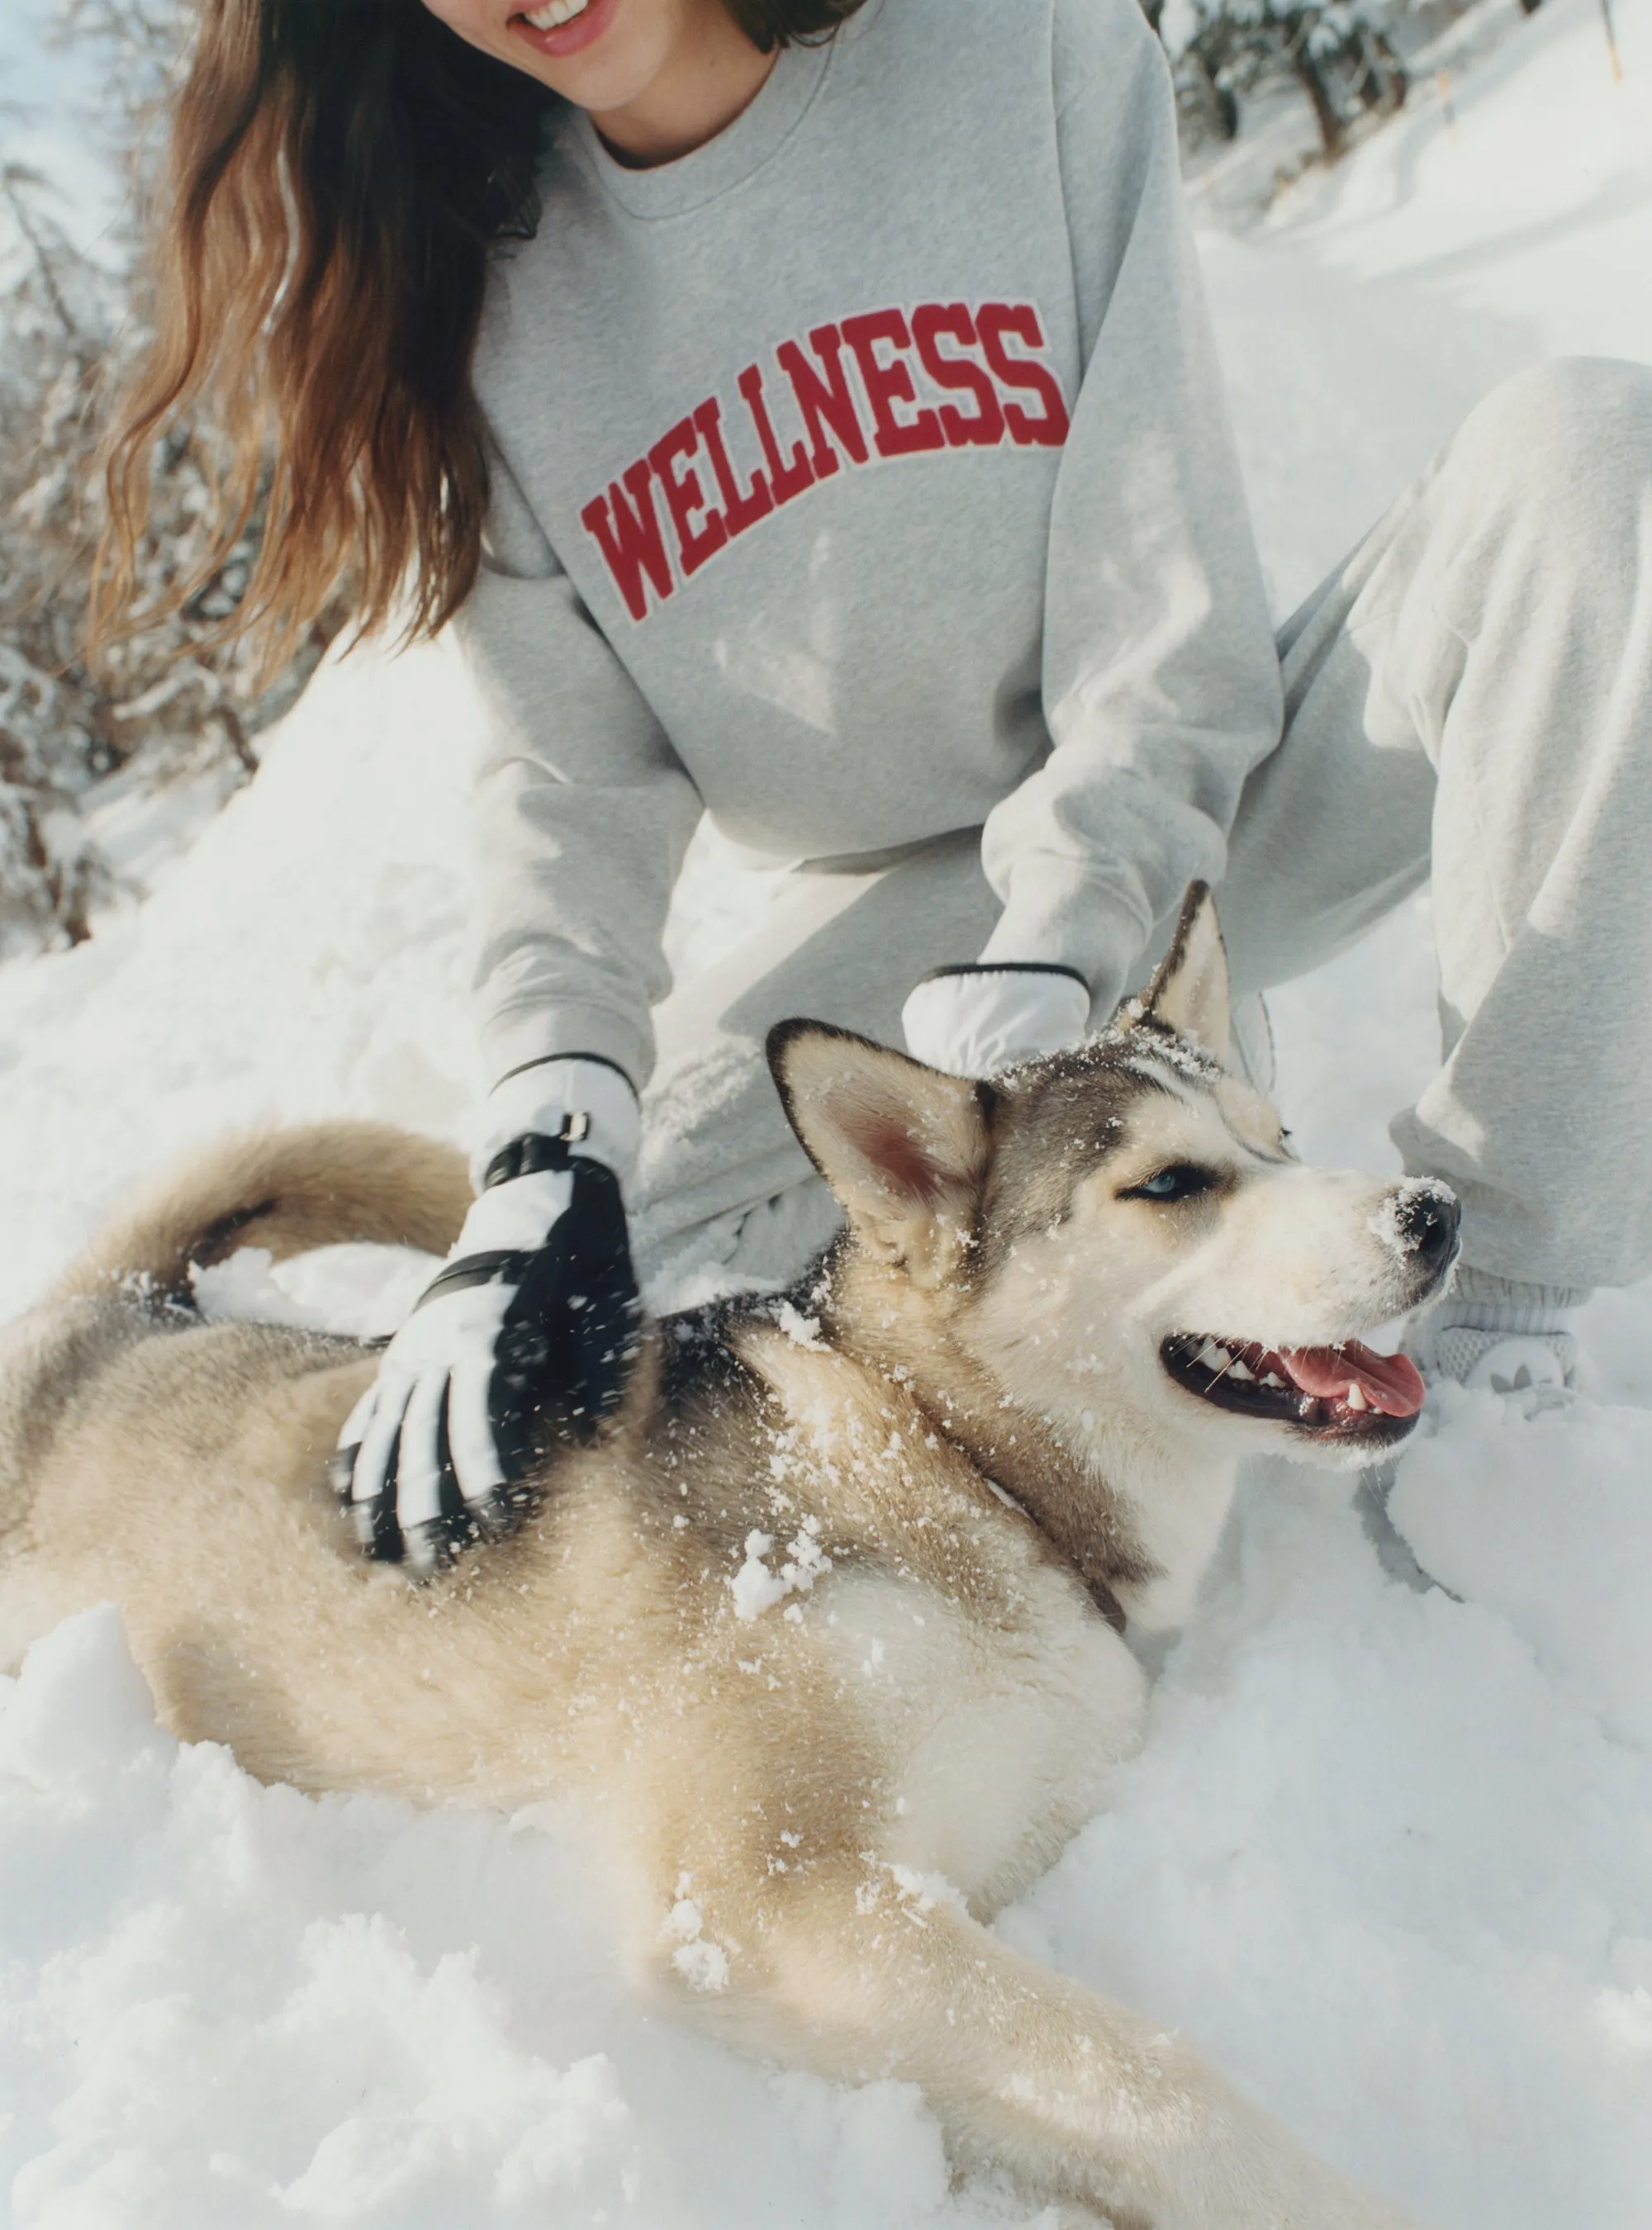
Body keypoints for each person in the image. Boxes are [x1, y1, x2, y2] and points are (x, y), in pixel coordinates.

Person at [96, 0, 1652, 1572]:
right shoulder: (477, 287)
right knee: (576, 1320)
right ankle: (1136, 1227)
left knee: (1584, 458)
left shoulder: (1016, 46)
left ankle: (1490, 1334)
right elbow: (568, 783)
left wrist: (1075, 933)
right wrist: (545, 1142)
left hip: (1198, 806)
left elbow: (1160, 601)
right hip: (901, 936)